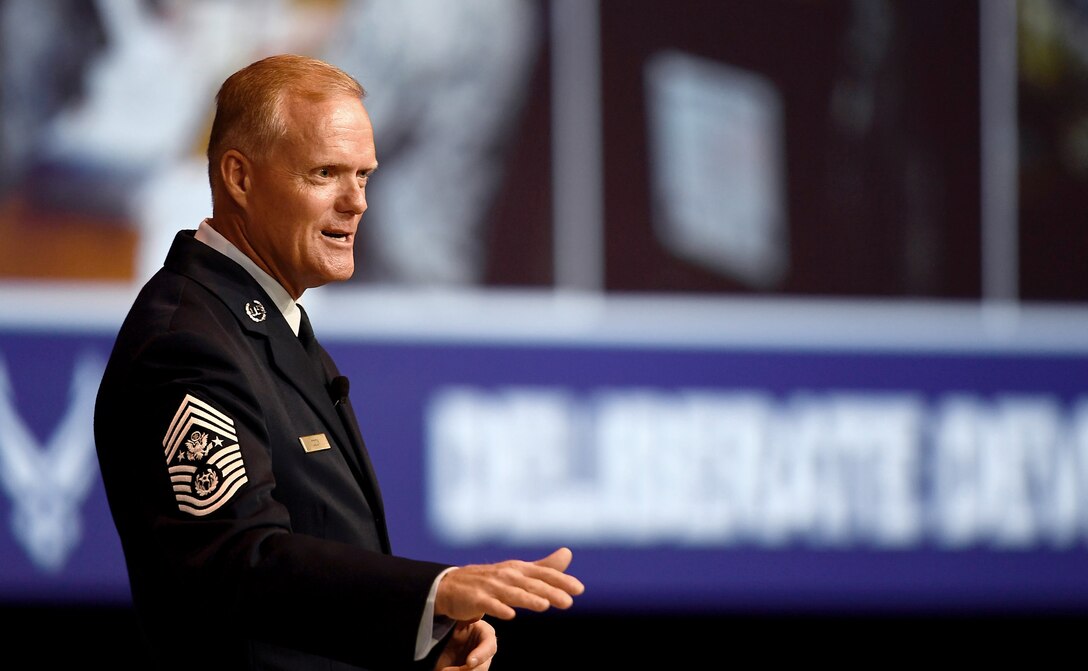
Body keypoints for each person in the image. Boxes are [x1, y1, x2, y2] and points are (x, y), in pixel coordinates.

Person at [93, 53, 584, 670]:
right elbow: (237, 562)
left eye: (365, 176)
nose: (357, 203)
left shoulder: (265, 323)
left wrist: (421, 645)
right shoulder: (188, 344)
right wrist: (432, 594)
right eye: (325, 173)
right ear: (239, 179)